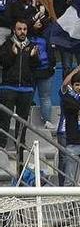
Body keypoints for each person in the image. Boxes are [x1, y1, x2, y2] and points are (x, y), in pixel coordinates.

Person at [0, 19, 39, 150]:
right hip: (8, 88)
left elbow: (35, 67)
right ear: (14, 30)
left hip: (26, 89)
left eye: (24, 29)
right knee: (4, 119)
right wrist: (12, 54)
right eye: (19, 29)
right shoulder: (6, 44)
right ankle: (1, 147)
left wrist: (34, 57)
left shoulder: (32, 46)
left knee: (22, 122)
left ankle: (20, 149)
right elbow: (3, 63)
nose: (22, 32)